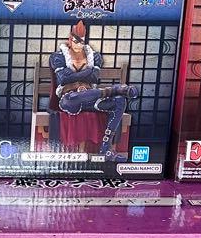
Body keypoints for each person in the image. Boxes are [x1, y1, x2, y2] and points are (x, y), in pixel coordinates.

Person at [49, 21, 136, 161]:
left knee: (120, 101)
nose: (78, 45)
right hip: (69, 99)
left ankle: (106, 148)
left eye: (81, 42)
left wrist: (80, 76)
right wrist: (87, 72)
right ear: (70, 40)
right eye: (75, 41)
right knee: (72, 98)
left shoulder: (93, 56)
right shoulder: (58, 56)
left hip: (91, 100)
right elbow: (64, 78)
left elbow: (94, 77)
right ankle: (114, 90)